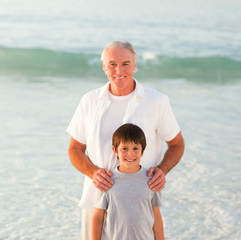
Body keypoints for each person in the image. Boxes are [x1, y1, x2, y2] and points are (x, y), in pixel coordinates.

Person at [67, 40, 184, 239]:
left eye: (126, 64)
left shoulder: (157, 101)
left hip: (139, 206)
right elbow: (75, 149)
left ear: (135, 65)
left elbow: (176, 144)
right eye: (112, 64)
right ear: (104, 66)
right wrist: (93, 172)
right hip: (96, 201)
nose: (118, 70)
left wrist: (162, 171)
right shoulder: (89, 101)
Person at [92, 123, 164, 240]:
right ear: (115, 151)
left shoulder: (151, 180)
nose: (130, 154)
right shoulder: (107, 181)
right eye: (124, 149)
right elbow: (98, 216)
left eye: (135, 148)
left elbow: (156, 215)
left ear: (142, 151)